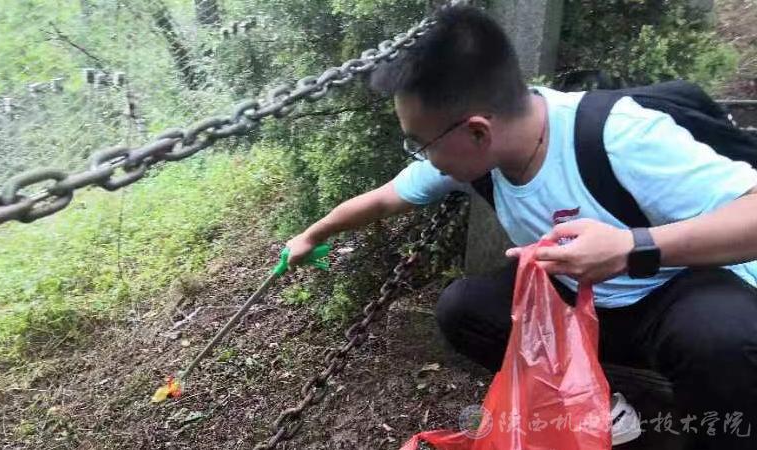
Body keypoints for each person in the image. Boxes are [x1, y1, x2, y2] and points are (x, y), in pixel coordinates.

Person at [285, 5, 757, 449]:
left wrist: (631, 247)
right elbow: (386, 197)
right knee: (464, 309)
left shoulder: (620, 135)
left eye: (420, 144)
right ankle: (609, 406)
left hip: (672, 293)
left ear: (477, 131)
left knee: (722, 340)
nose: (423, 158)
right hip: (583, 302)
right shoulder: (475, 156)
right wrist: (312, 235)